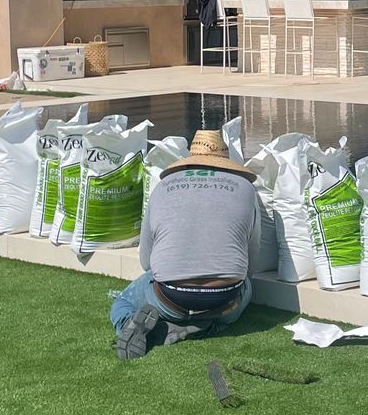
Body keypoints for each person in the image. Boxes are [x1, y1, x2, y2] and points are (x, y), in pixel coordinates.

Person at [111, 129, 260, 359]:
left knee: (123, 301)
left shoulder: (163, 187)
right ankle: (203, 327)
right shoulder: (246, 189)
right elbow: (251, 262)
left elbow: (146, 261)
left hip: (169, 298)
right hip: (225, 301)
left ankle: (133, 325)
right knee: (245, 290)